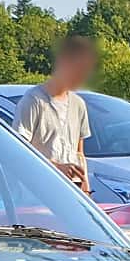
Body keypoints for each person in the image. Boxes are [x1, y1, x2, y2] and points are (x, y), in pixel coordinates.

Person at [15, 35, 97, 191]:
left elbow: (79, 154)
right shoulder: (33, 101)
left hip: (71, 191)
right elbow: (20, 150)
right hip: (38, 191)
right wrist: (57, 167)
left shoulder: (79, 105)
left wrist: (86, 191)